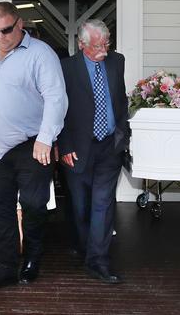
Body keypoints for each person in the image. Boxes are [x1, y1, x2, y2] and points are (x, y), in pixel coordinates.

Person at [0, 1, 67, 292]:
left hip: (32, 145)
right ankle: (5, 267)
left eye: (6, 30)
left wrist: (45, 138)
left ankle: (32, 259)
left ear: (20, 24)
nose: (1, 37)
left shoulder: (41, 54)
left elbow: (56, 98)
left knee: (33, 205)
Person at [57, 19, 129, 284]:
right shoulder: (66, 68)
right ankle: (82, 244)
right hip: (76, 148)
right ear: (82, 44)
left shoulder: (116, 61)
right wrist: (63, 145)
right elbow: (58, 109)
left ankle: (97, 260)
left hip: (110, 145)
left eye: (107, 43)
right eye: (98, 45)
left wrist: (124, 133)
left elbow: (120, 99)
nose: (105, 50)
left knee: (103, 203)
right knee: (80, 205)